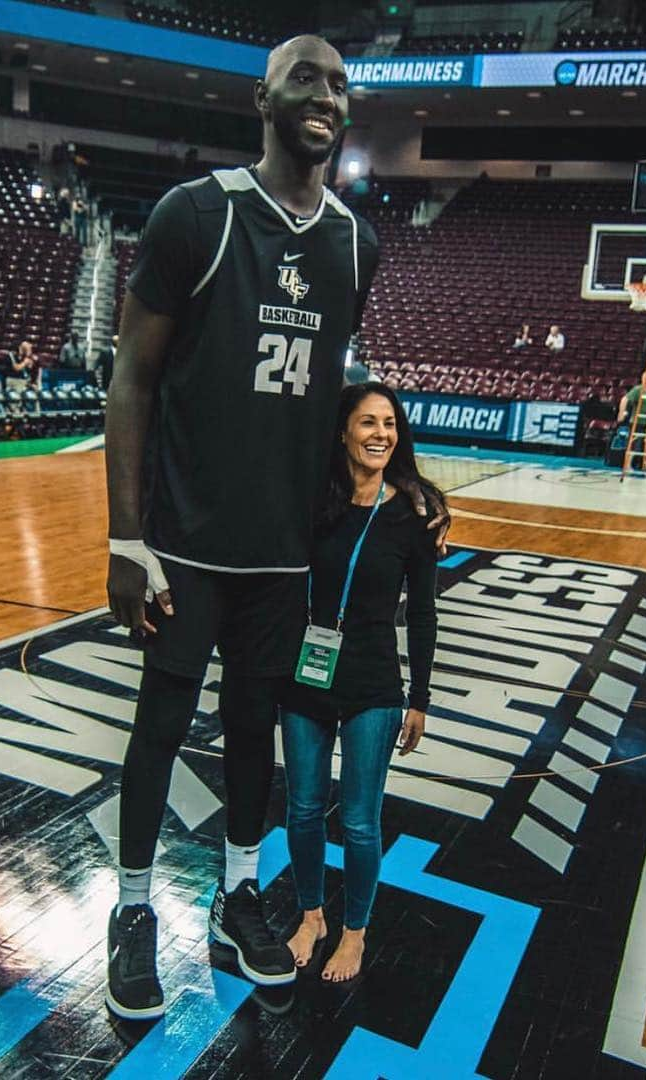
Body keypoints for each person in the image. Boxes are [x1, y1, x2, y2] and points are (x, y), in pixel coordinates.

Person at [103, 33, 446, 1022]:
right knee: (161, 728)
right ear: (263, 96)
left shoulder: (355, 243)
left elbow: (339, 398)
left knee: (255, 733)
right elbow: (131, 374)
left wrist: (405, 479)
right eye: (307, 78)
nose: (326, 96)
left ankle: (238, 892)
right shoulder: (196, 216)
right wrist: (127, 540)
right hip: (184, 546)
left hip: (282, 558)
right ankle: (131, 912)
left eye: (341, 84)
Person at [282, 384, 441, 982]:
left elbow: (423, 614)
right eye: (368, 422)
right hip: (306, 676)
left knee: (358, 820)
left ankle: (354, 932)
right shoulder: (312, 501)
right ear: (343, 432)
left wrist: (419, 698)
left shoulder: (414, 514)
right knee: (301, 810)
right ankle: (311, 915)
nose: (381, 434)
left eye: (390, 424)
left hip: (374, 684)